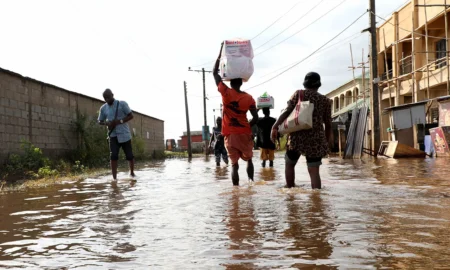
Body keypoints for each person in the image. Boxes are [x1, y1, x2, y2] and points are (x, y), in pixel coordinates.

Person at [271, 72, 332, 189]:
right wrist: (326, 143)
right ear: (319, 85)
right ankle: (316, 200)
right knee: (314, 172)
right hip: (316, 140)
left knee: (289, 164)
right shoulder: (325, 101)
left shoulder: (299, 94)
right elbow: (328, 124)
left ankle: (290, 194)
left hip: (297, 138)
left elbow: (287, 111)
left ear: (305, 83)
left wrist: (275, 126)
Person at [213, 42, 259, 186]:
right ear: (241, 83)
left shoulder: (226, 93)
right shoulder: (249, 98)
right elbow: (256, 118)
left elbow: (215, 73)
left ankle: (236, 191)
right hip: (244, 133)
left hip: (230, 135)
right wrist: (247, 127)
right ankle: (251, 184)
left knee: (234, 165)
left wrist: (221, 51)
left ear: (231, 83)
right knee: (249, 159)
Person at [98, 89, 135, 180]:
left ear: (112, 95)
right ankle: (114, 179)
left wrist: (119, 121)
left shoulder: (122, 104)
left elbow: (131, 115)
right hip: (113, 135)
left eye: (108, 97)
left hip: (125, 135)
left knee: (129, 156)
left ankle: (132, 173)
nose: (107, 99)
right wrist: (107, 123)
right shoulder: (103, 108)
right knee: (113, 155)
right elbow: (100, 121)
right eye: (105, 98)